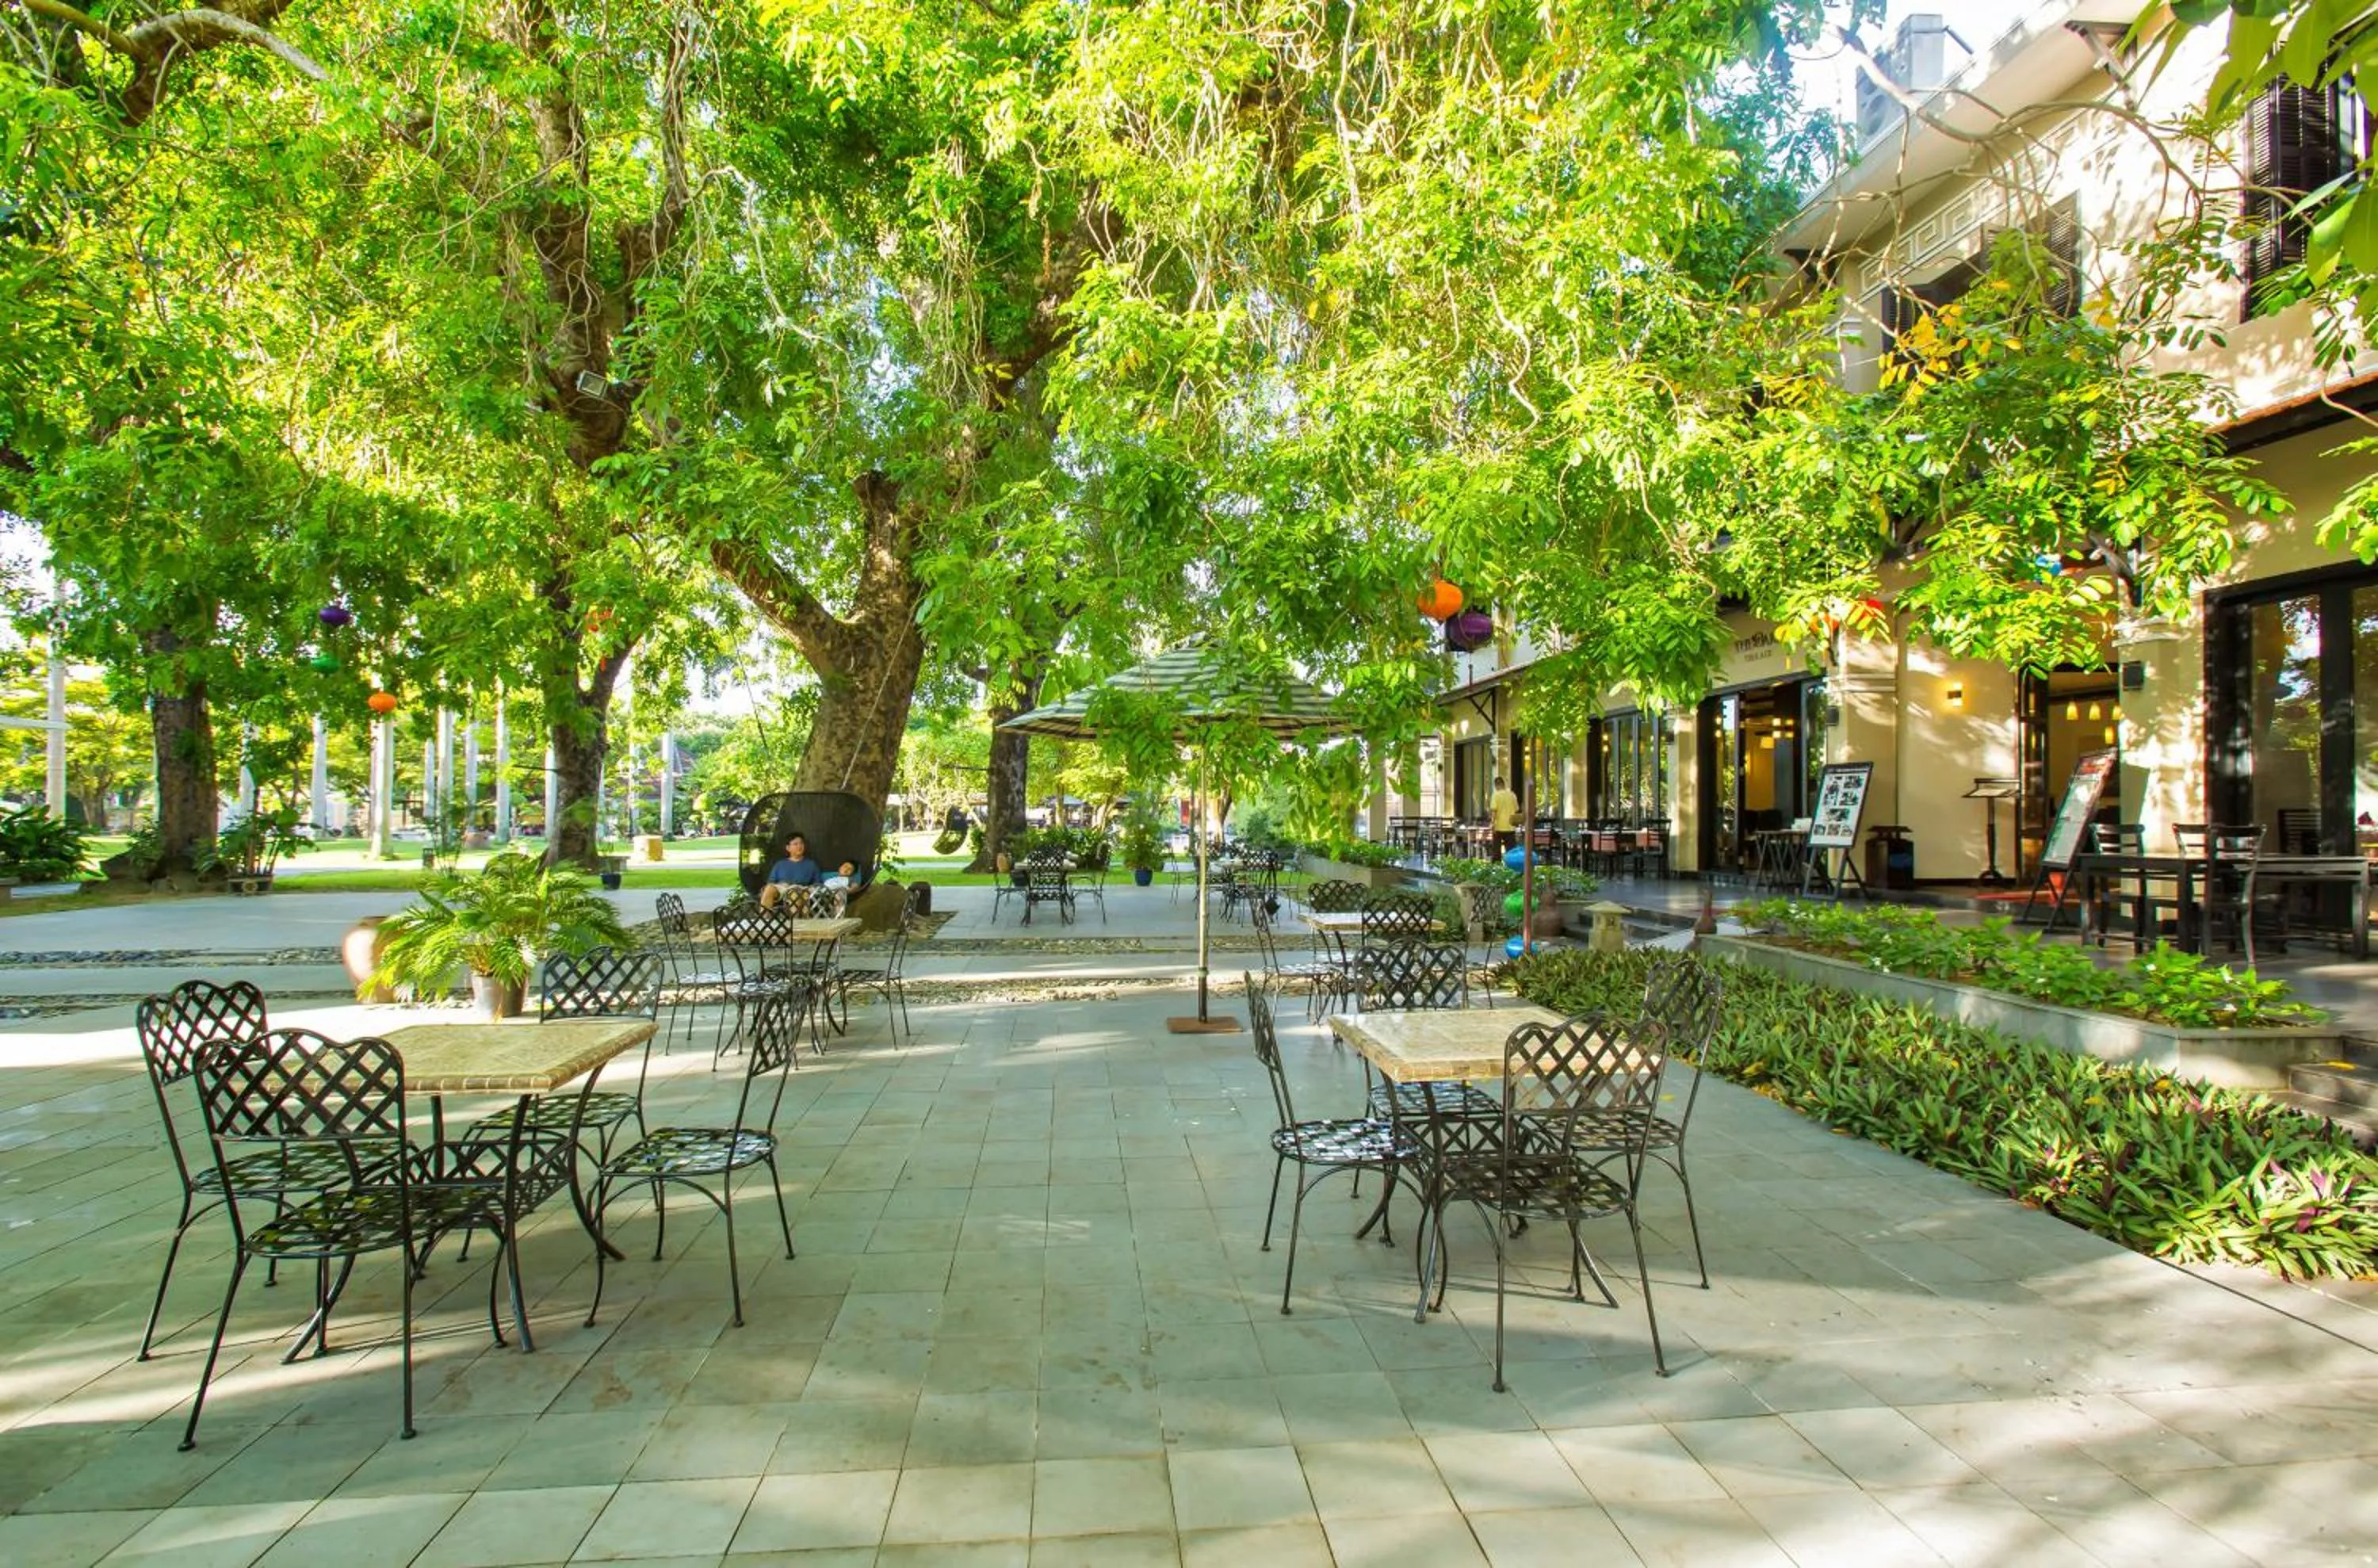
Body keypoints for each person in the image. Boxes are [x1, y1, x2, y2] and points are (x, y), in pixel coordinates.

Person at [759, 832, 822, 909]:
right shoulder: (780, 864)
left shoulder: (811, 864)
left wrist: (805, 888)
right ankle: (764, 916)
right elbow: (771, 882)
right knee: (769, 889)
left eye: (801, 843)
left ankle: (795, 917)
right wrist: (782, 885)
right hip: (782, 889)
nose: (799, 846)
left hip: (800, 889)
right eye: (795, 844)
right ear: (788, 848)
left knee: (796, 893)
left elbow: (818, 884)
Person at [1489, 774, 1521, 850]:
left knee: (1497, 849)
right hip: (1510, 827)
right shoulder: (1512, 795)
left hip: (1498, 827)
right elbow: (1516, 810)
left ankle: (1497, 858)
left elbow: (1494, 811)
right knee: (1511, 850)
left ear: (1496, 786)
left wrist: (1492, 824)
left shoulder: (1495, 795)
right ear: (1504, 784)